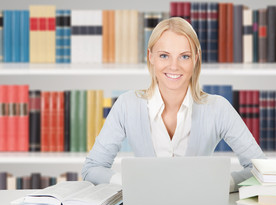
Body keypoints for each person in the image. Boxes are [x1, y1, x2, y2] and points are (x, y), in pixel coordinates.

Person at [82, 17, 266, 192]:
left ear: (195, 59)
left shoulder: (218, 108)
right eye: (164, 56)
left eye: (184, 57)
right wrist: (132, 183)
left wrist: (218, 184)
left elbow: (260, 168)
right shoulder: (126, 105)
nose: (173, 66)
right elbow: (92, 169)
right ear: (151, 57)